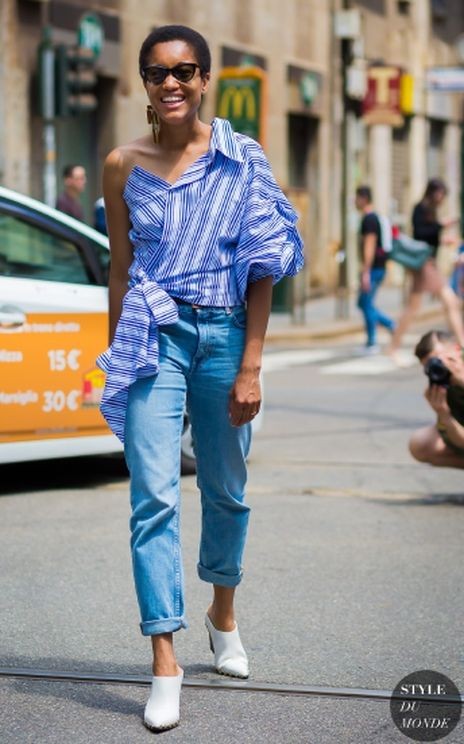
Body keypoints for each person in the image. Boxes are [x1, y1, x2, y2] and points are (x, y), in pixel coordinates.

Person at [96, 25, 303, 732]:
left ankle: (223, 614)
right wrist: (118, 354)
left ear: (205, 79)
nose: (171, 82)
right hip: (154, 334)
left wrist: (251, 365)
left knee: (226, 489)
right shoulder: (122, 164)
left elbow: (263, 264)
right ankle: (165, 661)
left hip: (224, 336)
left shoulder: (242, 158)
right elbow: (121, 268)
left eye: (184, 70)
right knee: (152, 495)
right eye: (158, 72)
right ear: (145, 83)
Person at [389, 178, 464, 358]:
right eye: (440, 194)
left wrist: (443, 239)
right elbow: (420, 234)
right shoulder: (420, 209)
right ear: (433, 192)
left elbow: (429, 237)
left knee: (414, 307)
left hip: (428, 264)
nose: (441, 198)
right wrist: (441, 225)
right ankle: (462, 343)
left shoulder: (430, 210)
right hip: (425, 265)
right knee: (449, 302)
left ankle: (393, 346)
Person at [409, 330, 464, 469]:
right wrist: (444, 414)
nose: (439, 367)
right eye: (430, 365)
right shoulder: (444, 383)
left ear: (457, 349)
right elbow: (460, 442)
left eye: (440, 360)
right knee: (421, 444)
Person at [355, 185, 395, 353]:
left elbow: (369, 245)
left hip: (373, 268)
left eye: (357, 198)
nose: (355, 201)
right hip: (378, 267)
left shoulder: (369, 219)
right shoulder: (376, 217)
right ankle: (390, 325)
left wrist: (365, 271)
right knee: (363, 303)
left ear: (363, 198)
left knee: (366, 303)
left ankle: (373, 341)